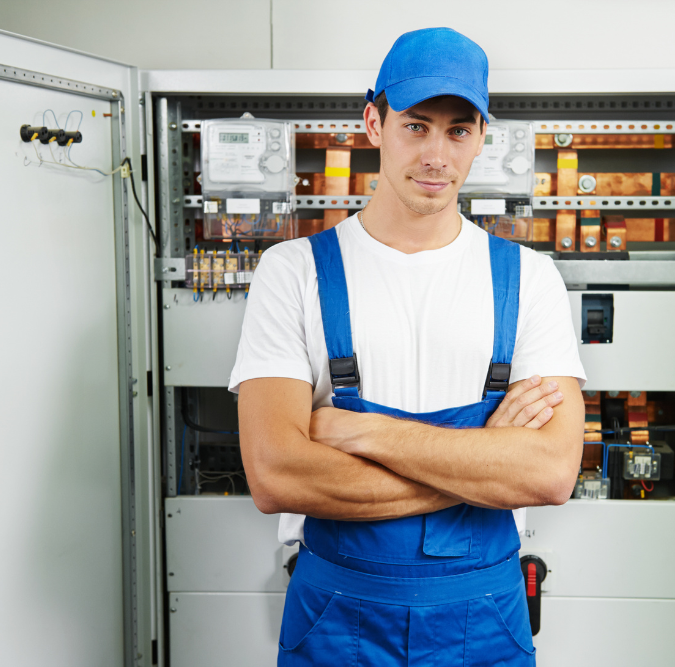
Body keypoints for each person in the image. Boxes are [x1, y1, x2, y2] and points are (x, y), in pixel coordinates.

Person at [229, 26, 586, 666]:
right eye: (416, 125)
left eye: (458, 130)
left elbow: (552, 473)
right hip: (339, 618)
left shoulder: (529, 278)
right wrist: (487, 465)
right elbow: (275, 474)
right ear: (374, 122)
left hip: (485, 621)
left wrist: (363, 434)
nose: (437, 155)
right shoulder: (293, 272)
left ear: (481, 138)